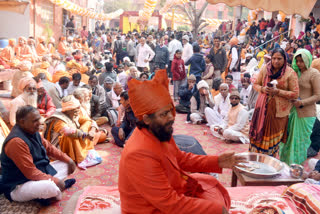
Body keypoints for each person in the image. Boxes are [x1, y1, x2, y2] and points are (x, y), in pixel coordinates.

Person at [119, 69, 245, 213]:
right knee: (215, 206)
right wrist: (215, 210)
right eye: (164, 114)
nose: (172, 117)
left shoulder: (158, 131)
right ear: (147, 119)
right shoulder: (138, 154)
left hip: (169, 191)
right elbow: (170, 203)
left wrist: (217, 162)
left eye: (170, 110)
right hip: (150, 208)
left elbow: (180, 158)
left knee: (212, 183)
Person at [0, 106, 76, 205]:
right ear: (22, 122)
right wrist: (55, 180)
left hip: (36, 173)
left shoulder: (32, 131)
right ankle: (50, 193)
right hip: (19, 184)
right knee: (50, 187)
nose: (40, 123)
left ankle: (47, 194)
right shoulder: (16, 142)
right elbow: (30, 172)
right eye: (35, 120)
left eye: (39, 119)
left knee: (66, 164)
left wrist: (68, 160)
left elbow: (50, 148)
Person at [249, 48, 299, 157]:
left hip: (278, 114)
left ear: (285, 59)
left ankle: (269, 162)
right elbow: (256, 84)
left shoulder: (290, 73)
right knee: (258, 137)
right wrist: (262, 89)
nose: (276, 61)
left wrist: (278, 92)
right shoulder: (265, 69)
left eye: (279, 59)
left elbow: (295, 93)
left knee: (272, 141)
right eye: (274, 58)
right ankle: (254, 160)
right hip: (262, 109)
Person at [279, 49, 320, 165]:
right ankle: (285, 167)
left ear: (308, 60)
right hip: (291, 111)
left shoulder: (314, 73)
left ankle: (295, 169)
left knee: (300, 143)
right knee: (287, 141)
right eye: (297, 61)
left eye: (302, 61)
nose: (299, 63)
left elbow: (318, 95)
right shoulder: (294, 72)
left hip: (306, 114)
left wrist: (302, 103)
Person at [44, 96, 98, 164]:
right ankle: (76, 156)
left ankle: (83, 148)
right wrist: (86, 135)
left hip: (79, 138)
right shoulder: (59, 120)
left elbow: (90, 121)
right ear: (67, 111)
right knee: (69, 136)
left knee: (87, 124)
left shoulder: (75, 115)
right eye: (75, 110)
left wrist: (92, 131)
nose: (78, 111)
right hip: (59, 148)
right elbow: (67, 132)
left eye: (78, 108)